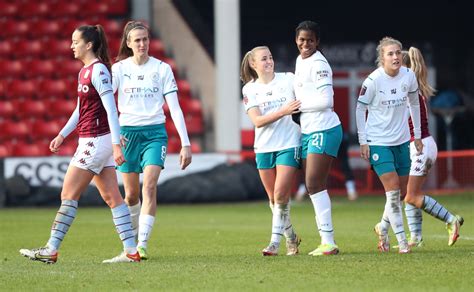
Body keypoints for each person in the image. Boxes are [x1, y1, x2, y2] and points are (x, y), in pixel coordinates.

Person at [19, 25, 139, 264]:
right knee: (112, 196)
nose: (71, 46)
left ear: (89, 45)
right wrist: (62, 134)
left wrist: (116, 145)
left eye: (75, 41)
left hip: (95, 141)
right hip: (95, 140)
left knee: (68, 193)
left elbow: (111, 109)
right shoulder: (85, 71)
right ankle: (131, 251)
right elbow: (80, 109)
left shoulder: (99, 71)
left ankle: (51, 249)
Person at [112, 21, 192, 260]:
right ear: (128, 43)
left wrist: (185, 143)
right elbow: (106, 104)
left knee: (149, 186)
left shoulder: (162, 69)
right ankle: (131, 247)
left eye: (145, 39)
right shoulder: (118, 69)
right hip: (128, 134)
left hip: (155, 134)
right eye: (137, 40)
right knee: (130, 195)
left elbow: (175, 109)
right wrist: (114, 135)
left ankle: (143, 245)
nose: (142, 44)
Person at [356, 37, 423, 254]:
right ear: (381, 58)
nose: (396, 57)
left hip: (402, 141)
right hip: (378, 142)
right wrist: (363, 141)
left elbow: (414, 103)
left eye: (398, 53)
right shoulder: (373, 81)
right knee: (393, 191)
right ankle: (403, 242)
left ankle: (382, 228)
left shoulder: (409, 75)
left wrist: (417, 136)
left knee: (400, 192)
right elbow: (359, 110)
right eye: (390, 54)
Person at [240, 46, 302, 256]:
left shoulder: (288, 79)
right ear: (253, 64)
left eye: (271, 57)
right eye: (263, 59)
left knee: (280, 193)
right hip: (264, 147)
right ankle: (291, 237)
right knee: (274, 200)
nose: (269, 61)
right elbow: (257, 121)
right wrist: (283, 111)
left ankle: (274, 243)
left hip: (289, 143)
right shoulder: (249, 89)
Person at [399, 47, 463, 247]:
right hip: (422, 145)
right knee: (409, 194)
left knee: (411, 195)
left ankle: (451, 220)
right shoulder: (413, 87)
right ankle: (415, 237)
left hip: (421, 146)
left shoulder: (407, 89)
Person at [293, 20, 342, 256]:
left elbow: (327, 100)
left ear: (317, 41)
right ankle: (326, 240)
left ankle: (328, 241)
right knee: (313, 185)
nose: (305, 44)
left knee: (313, 183)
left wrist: (298, 107)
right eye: (302, 39)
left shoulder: (319, 63)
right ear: (296, 40)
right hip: (310, 130)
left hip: (325, 128)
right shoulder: (300, 61)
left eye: (310, 40)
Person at [295, 131, 358, 201]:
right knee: (308, 164)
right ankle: (302, 190)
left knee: (343, 163)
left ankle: (351, 190)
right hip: (316, 135)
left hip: (327, 135)